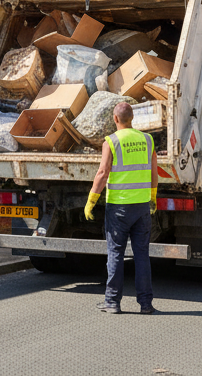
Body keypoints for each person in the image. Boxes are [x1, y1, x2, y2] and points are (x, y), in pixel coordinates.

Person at [85, 101, 158, 314]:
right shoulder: (147, 140)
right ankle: (146, 304)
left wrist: (91, 200)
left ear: (115, 119)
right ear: (132, 118)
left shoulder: (111, 141)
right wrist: (152, 196)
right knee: (142, 254)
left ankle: (112, 302)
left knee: (115, 252)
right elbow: (154, 173)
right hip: (142, 206)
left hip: (118, 208)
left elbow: (102, 172)